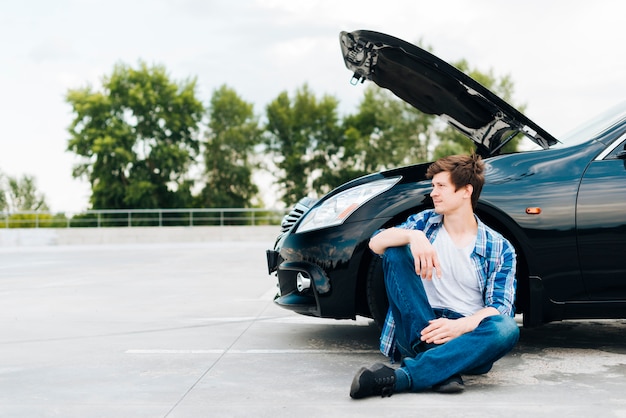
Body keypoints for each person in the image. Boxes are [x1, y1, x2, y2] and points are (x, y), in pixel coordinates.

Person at [350, 154, 520, 399]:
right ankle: (440, 365)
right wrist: (413, 237)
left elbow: (500, 308)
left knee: (506, 328)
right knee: (395, 250)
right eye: (433, 186)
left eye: (441, 186)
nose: (433, 193)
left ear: (466, 191)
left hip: (464, 337)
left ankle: (404, 377)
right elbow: (375, 243)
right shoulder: (424, 223)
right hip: (419, 328)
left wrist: (459, 326)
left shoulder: (499, 247)